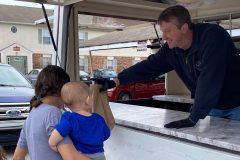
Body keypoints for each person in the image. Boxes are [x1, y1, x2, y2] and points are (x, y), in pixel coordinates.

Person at [92, 5, 240, 129]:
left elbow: (209, 78)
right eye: (162, 31)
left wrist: (193, 118)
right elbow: (149, 66)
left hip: (237, 104)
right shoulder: (172, 50)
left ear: (184, 28)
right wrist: (116, 81)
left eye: (168, 31)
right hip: (214, 106)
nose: (164, 37)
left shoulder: (212, 37)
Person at [13, 65, 90, 160]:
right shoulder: (53, 113)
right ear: (59, 90)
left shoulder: (33, 113)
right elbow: (71, 157)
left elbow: (17, 157)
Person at [49, 81, 110, 160]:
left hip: (80, 155)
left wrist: (52, 144)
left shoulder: (69, 119)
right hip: (99, 155)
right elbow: (106, 134)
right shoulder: (99, 118)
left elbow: (56, 135)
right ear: (88, 100)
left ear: (66, 105)